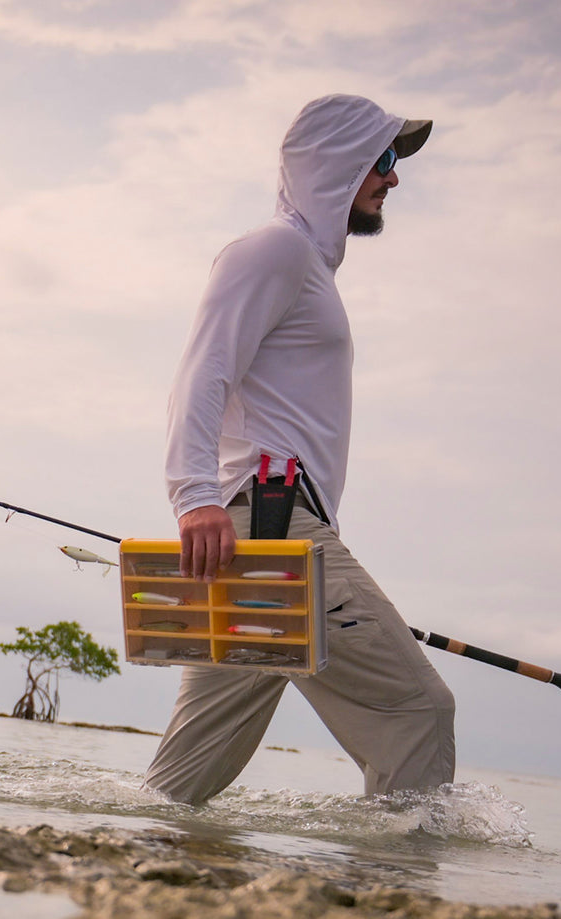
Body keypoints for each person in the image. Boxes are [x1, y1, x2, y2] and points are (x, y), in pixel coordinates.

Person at [143, 94, 456, 804]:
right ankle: (390, 893)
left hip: (264, 527)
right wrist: (193, 498)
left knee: (181, 783)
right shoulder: (274, 250)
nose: (393, 177)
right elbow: (202, 371)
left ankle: (142, 870)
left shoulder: (305, 267)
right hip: (275, 524)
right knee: (416, 711)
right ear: (336, 164)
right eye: (382, 159)